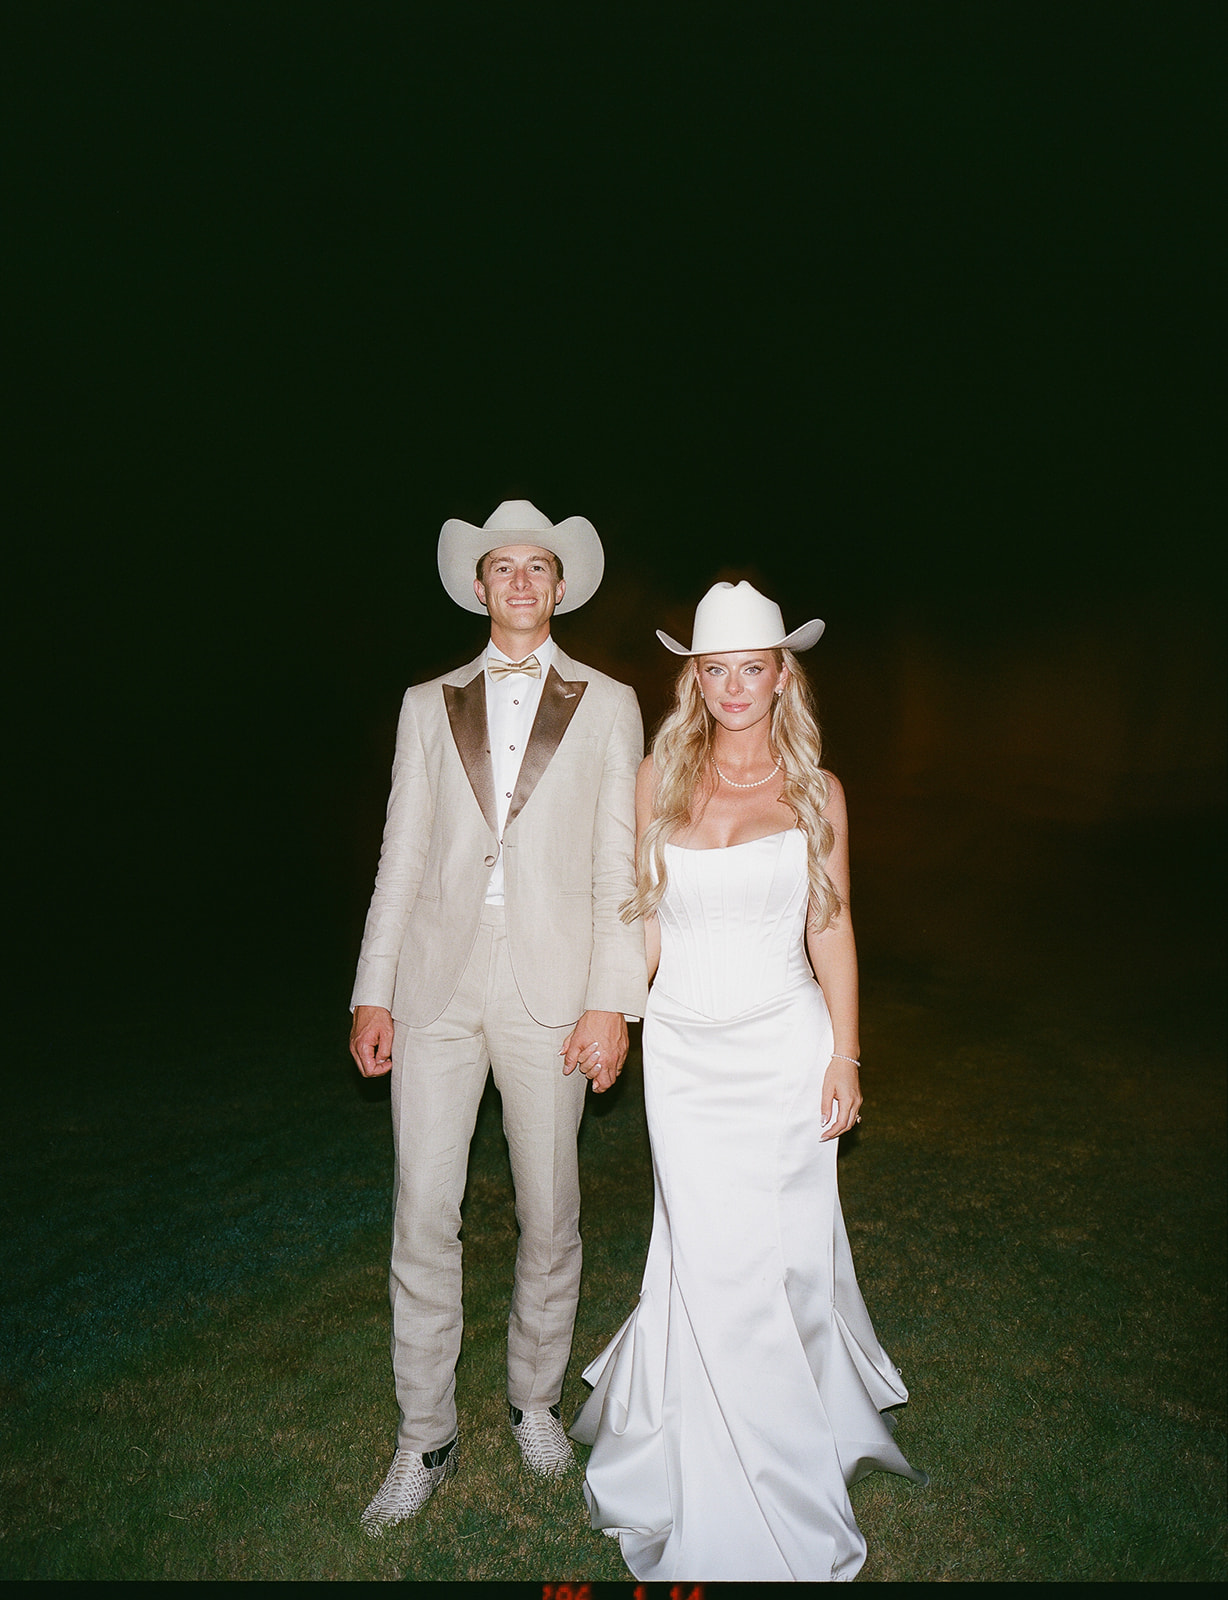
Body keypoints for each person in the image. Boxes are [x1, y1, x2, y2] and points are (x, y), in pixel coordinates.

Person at [571, 580, 926, 1581]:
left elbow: (830, 928)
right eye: (715, 669)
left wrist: (845, 1055)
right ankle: (714, 1449)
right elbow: (643, 925)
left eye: (751, 668)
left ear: (781, 678)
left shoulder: (818, 790)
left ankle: (780, 1445)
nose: (733, 686)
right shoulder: (658, 778)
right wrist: (608, 1010)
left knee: (782, 1260)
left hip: (784, 1051)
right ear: (697, 678)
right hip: (684, 1058)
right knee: (707, 1256)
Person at [349, 499, 648, 1531]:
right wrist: (373, 988)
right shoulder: (426, 703)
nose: (521, 581)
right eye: (503, 566)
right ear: (478, 586)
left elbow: (619, 866)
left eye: (538, 566)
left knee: (549, 1211)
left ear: (560, 586)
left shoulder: (609, 704)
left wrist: (612, 1002)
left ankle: (534, 1400)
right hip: (435, 987)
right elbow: (399, 854)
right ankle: (423, 1435)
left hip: (552, 991)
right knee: (421, 1213)